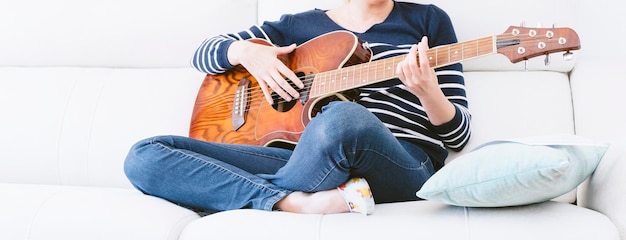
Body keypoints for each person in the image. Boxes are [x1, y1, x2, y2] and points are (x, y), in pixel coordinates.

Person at [124, 0, 471, 215]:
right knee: (144, 156)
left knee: (341, 118)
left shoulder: (428, 21)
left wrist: (428, 92)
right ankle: (292, 203)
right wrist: (247, 53)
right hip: (304, 157)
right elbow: (204, 53)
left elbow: (458, 136)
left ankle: (228, 194)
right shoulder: (297, 26)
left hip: (404, 161)